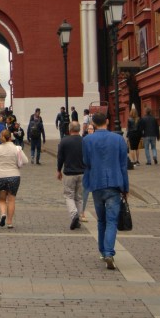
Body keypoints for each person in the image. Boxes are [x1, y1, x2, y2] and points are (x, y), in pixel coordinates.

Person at [82, 110, 129, 271]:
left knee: (101, 220)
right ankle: (109, 252)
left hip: (96, 183)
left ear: (93, 123)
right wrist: (125, 187)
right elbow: (123, 165)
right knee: (111, 221)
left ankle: (103, 251)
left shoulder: (87, 140)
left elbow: (86, 162)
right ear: (107, 121)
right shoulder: (118, 139)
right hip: (114, 183)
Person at [0, 129, 27, 229]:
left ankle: (3, 214)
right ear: (10, 137)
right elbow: (25, 161)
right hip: (14, 176)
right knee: (11, 200)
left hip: (1, 176)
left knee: (2, 199)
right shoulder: (16, 148)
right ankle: (9, 222)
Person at [57, 120, 85, 230]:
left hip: (69, 173)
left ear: (69, 129)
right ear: (79, 129)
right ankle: (78, 218)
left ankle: (74, 215)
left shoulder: (64, 141)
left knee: (69, 195)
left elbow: (60, 157)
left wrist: (58, 170)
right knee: (79, 197)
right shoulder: (84, 141)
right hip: (82, 172)